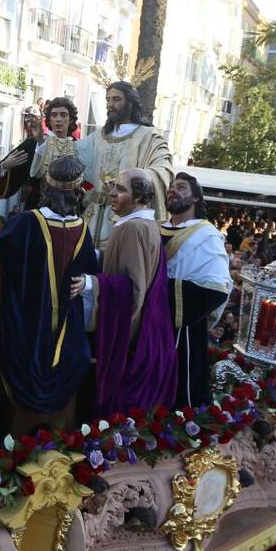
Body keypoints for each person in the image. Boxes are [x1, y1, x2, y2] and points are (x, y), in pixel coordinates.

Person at [0, 155, 97, 433]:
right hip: (67, 342)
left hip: (26, 334)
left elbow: (0, 271)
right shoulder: (83, 232)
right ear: (78, 191)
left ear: (46, 188)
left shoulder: (23, 224)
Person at [72, 169, 176, 414]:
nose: (112, 193)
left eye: (120, 189)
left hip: (130, 344)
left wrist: (90, 283)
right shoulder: (144, 224)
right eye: (113, 187)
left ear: (139, 197)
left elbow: (132, 289)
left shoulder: (133, 229)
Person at [159, 173, 231, 406]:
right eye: (171, 187)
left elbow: (216, 287)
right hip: (147, 319)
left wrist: (161, 292)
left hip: (184, 328)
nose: (173, 190)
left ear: (196, 198)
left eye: (181, 187)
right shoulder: (155, 228)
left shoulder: (206, 234)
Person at [75, 81, 174, 244]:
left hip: (125, 221)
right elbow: (72, 152)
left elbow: (163, 168)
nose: (110, 105)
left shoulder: (148, 136)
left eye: (116, 99)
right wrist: (43, 141)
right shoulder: (99, 136)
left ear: (130, 102)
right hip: (90, 223)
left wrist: (134, 179)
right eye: (108, 100)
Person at [0, 107, 42, 213]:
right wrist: (3, 167)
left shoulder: (76, 145)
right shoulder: (32, 144)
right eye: (54, 114)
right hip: (36, 209)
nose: (58, 119)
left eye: (63, 114)